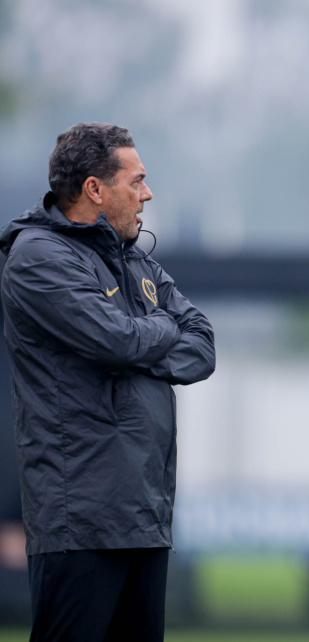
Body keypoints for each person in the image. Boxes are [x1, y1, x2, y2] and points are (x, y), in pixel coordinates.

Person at [0, 122, 215, 641]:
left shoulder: (136, 259)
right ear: (95, 188)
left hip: (145, 512)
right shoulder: (37, 256)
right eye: (136, 181)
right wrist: (159, 329)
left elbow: (203, 347)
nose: (147, 193)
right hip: (81, 519)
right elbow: (116, 341)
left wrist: (141, 338)